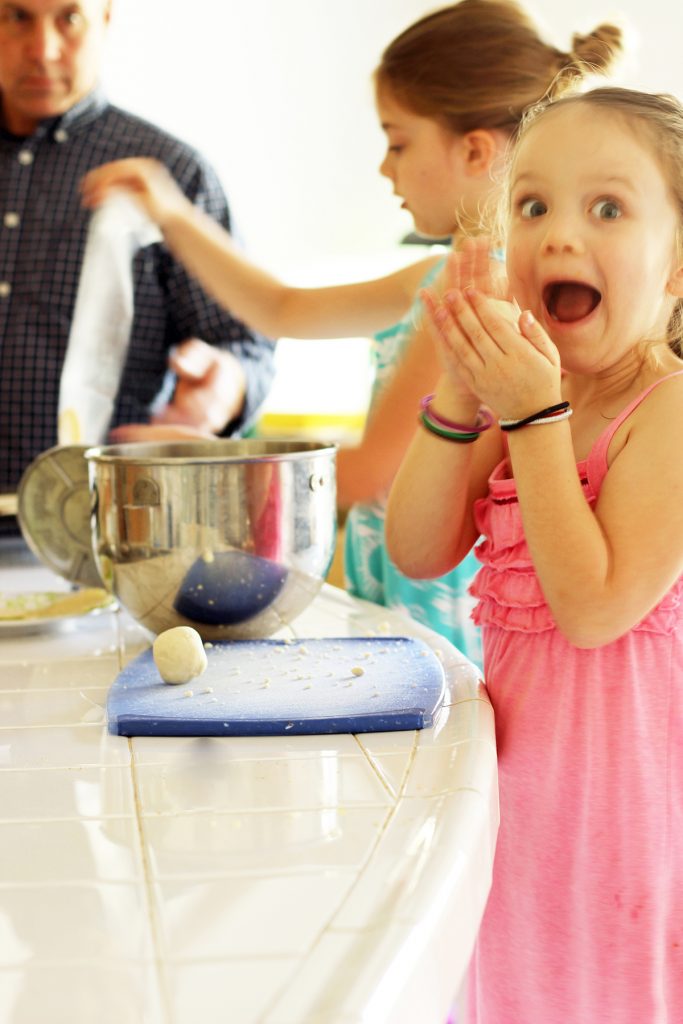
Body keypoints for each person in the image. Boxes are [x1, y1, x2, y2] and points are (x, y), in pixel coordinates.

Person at [80, 1, 622, 665]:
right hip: (407, 586)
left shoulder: (475, 293)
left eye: (397, 142)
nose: (383, 168)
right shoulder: (440, 272)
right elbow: (279, 307)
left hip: (439, 609)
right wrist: (172, 211)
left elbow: (372, 472)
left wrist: (203, 457)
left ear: (475, 150)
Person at [385, 86, 683, 1022]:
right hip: (518, 810)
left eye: (606, 208)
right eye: (532, 206)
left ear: (677, 266)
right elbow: (418, 547)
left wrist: (530, 417)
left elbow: (594, 609)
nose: (558, 235)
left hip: (628, 826)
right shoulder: (528, 400)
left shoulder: (665, 413)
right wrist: (462, 390)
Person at [0, 0, 275, 524]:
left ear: (105, 19)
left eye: (69, 18)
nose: (43, 50)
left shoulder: (171, 175)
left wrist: (219, 391)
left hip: (109, 527)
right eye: (17, 17)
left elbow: (245, 343)